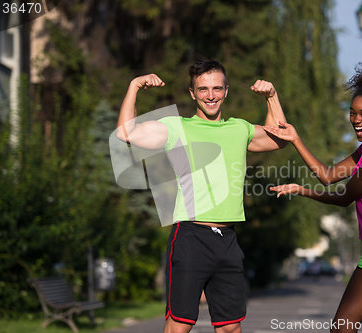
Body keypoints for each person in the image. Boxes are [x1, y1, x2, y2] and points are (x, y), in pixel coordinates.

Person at [116, 60, 287, 333]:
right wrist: (134, 86)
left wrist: (271, 97)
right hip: (191, 237)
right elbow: (126, 132)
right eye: (203, 89)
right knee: (179, 327)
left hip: (228, 240)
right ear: (192, 93)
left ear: (226, 91)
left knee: (230, 327)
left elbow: (279, 138)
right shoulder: (176, 127)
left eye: (217, 88)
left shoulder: (239, 128)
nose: (211, 95)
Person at [264, 63, 362, 333]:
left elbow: (344, 197)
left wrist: (303, 191)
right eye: (353, 113)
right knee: (341, 328)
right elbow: (328, 175)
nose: (356, 119)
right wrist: (296, 139)